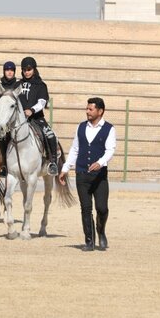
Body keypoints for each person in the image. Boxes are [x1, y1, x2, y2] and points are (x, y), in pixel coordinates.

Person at [59, 97, 116, 251]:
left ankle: (101, 231)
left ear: (100, 111)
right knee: (86, 208)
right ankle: (89, 241)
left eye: (90, 109)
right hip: (82, 174)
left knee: (102, 208)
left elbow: (110, 149)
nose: (87, 112)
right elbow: (75, 149)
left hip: (100, 177)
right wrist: (65, 168)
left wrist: (101, 162)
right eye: (87, 109)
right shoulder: (81, 127)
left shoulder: (109, 129)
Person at [17, 56, 59, 176]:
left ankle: (53, 162)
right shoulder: (17, 84)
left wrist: (32, 110)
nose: (27, 72)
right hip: (19, 119)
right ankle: (4, 164)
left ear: (34, 69)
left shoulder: (41, 85)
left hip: (36, 118)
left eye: (29, 69)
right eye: (24, 69)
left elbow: (42, 102)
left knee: (50, 135)